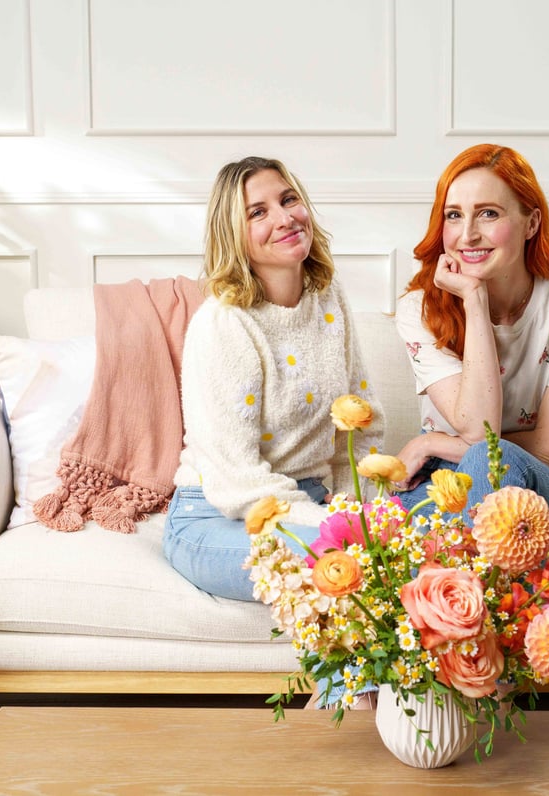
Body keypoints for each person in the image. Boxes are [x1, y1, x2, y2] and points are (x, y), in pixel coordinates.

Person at [164, 156, 384, 607]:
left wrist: (357, 511)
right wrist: (332, 532)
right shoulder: (224, 323)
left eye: (288, 200)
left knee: (395, 551)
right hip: (218, 513)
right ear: (235, 236)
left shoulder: (328, 297)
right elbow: (236, 474)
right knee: (339, 569)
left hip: (308, 502)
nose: (284, 219)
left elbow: (358, 425)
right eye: (257, 212)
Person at [393, 144, 549, 524]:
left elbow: (547, 451)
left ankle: (462, 571)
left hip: (541, 482)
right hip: (440, 482)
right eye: (453, 216)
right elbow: (480, 427)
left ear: (531, 224)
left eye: (488, 214)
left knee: (483, 458)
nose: (467, 235)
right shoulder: (421, 309)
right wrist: (474, 302)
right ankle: (473, 579)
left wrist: (433, 443)